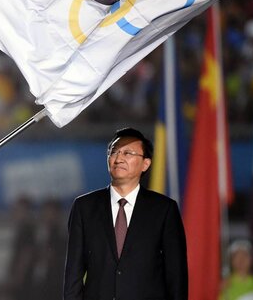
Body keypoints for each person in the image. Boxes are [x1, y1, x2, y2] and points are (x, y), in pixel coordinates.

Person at [63, 127, 187, 300]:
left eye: (128, 153)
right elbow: (73, 275)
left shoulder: (164, 209)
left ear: (146, 164)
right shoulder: (84, 207)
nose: (119, 158)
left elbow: (176, 276)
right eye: (114, 151)